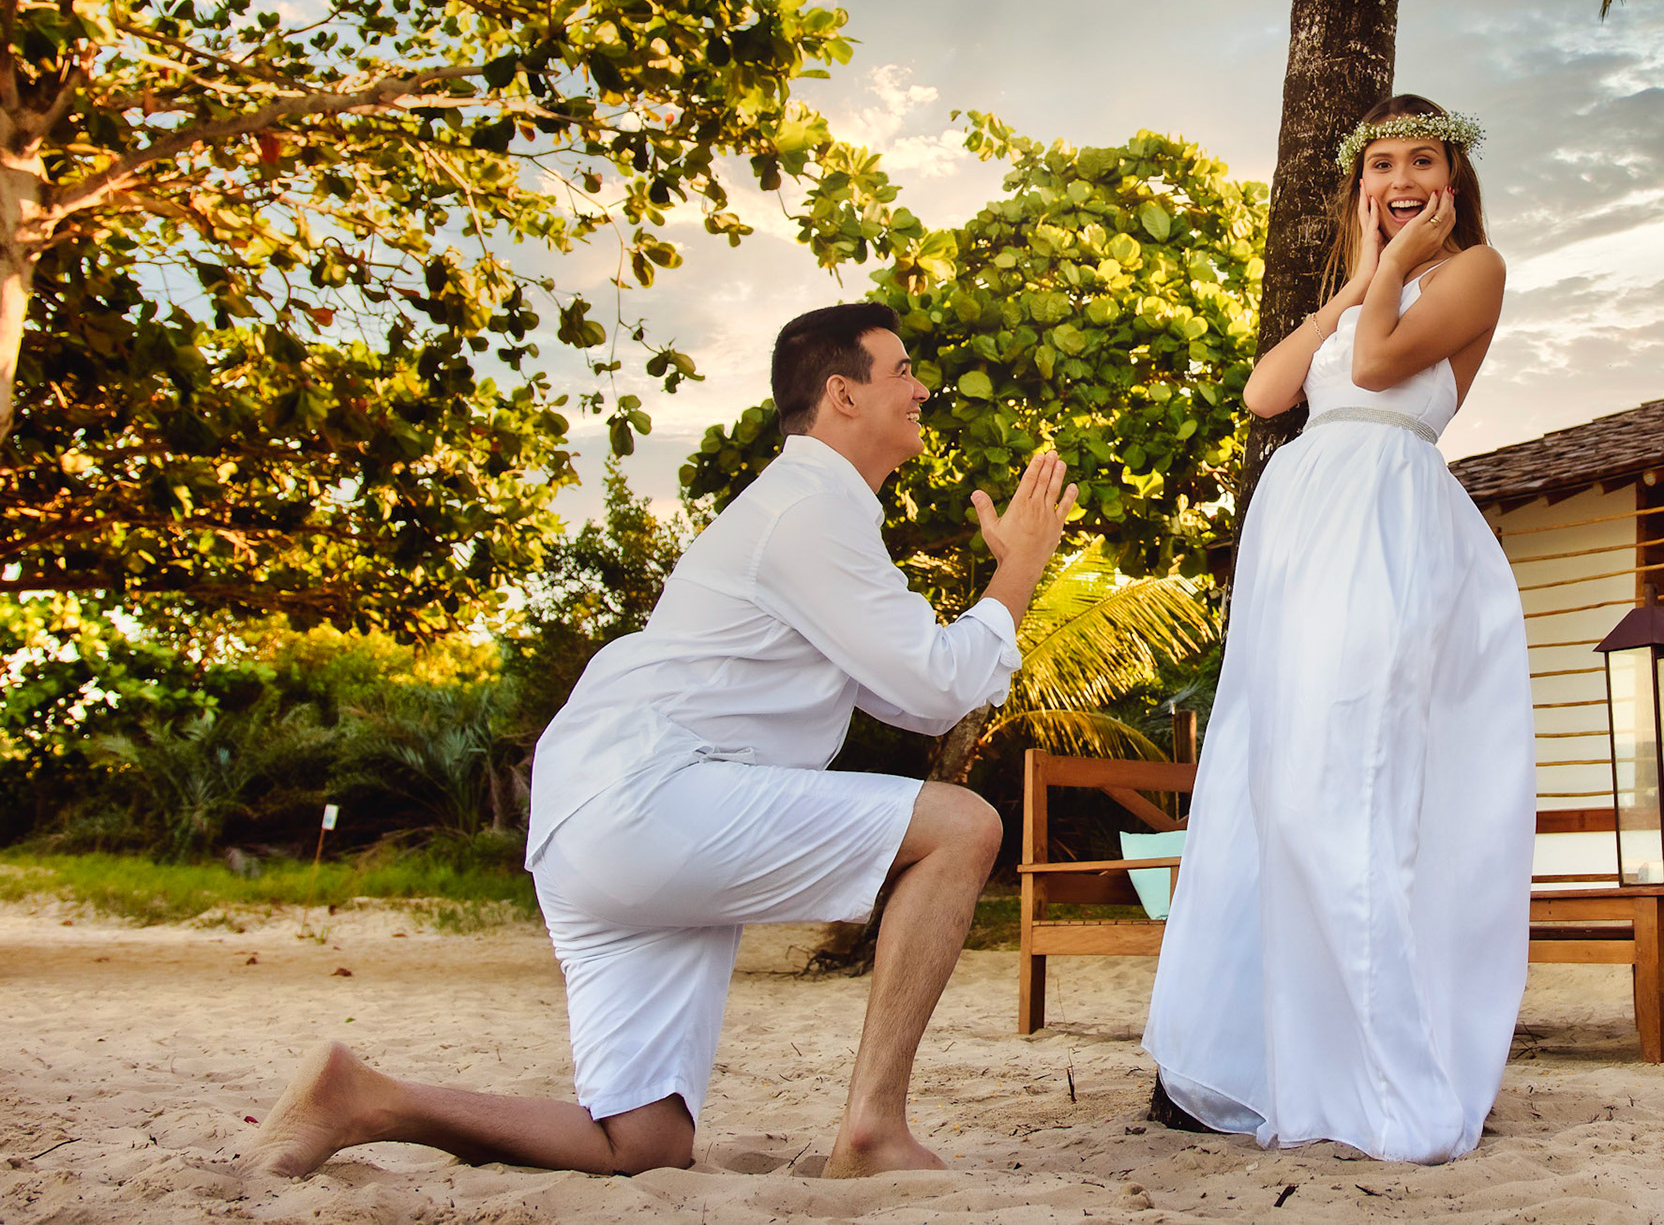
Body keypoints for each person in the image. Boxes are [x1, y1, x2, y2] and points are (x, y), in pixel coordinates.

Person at [247, 302, 1077, 1180]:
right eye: (902, 370)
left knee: (640, 1147)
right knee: (963, 826)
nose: (921, 388)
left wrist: (1002, 583)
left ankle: (362, 1098)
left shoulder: (807, 514)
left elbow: (917, 697)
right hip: (651, 800)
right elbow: (939, 686)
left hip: (602, 821)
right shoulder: (807, 512)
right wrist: (1020, 564)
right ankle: (874, 1129)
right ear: (841, 393)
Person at [1141, 95, 1535, 1164]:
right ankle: (1261, 1052)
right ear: (1358, 183)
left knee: (1346, 781)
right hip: (1302, 537)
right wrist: (1364, 275)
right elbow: (1270, 391)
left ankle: (1373, 1062)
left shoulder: (1475, 269)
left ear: (1454, 175)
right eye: (1382, 165)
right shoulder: (1364, 287)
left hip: (1384, 520)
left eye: (1422, 161)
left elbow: (1373, 373)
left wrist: (1403, 260)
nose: (1401, 177)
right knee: (1267, 780)